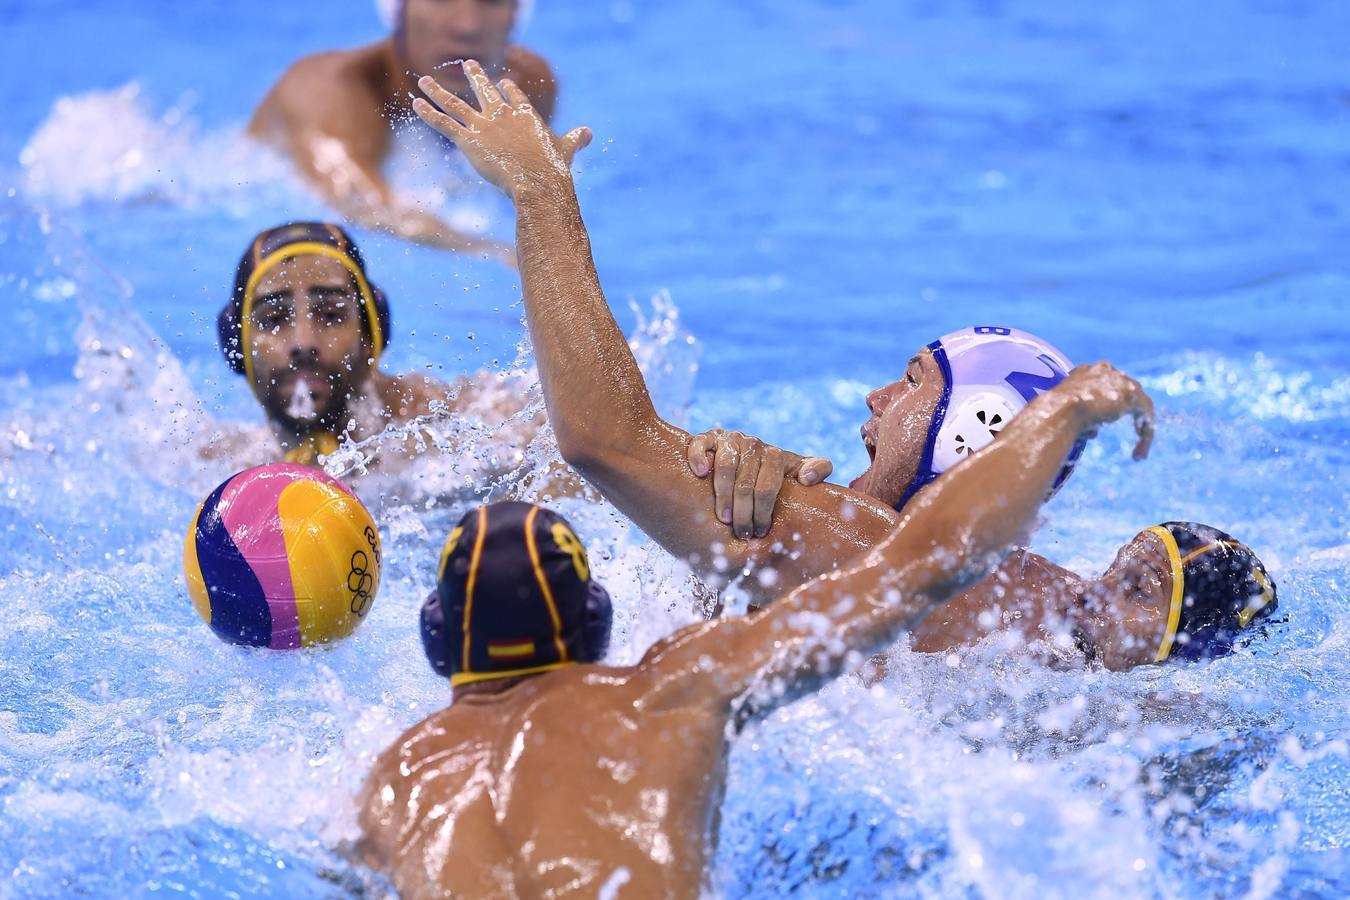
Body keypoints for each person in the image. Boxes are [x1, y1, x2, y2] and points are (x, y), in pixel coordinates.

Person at [408, 64, 1281, 669]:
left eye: (912, 383)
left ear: (973, 433)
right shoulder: (1024, 605)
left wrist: (541, 196)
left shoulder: (890, 557)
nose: (875, 395)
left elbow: (605, 440)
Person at [358, 362, 1159, 896]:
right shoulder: (677, 688)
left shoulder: (390, 783)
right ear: (599, 622)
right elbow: (927, 561)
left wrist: (729, 562)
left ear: (436, 642)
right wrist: (1067, 409)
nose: (875, 401)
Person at [248, 0, 555, 262]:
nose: (467, 26)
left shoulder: (526, 85)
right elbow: (366, 209)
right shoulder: (327, 92)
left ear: (516, 14)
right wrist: (497, 253)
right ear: (399, 12)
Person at [213, 220, 533, 466]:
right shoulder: (227, 462)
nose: (304, 342)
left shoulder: (451, 429)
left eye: (330, 315)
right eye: (273, 320)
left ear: (371, 335)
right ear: (238, 347)